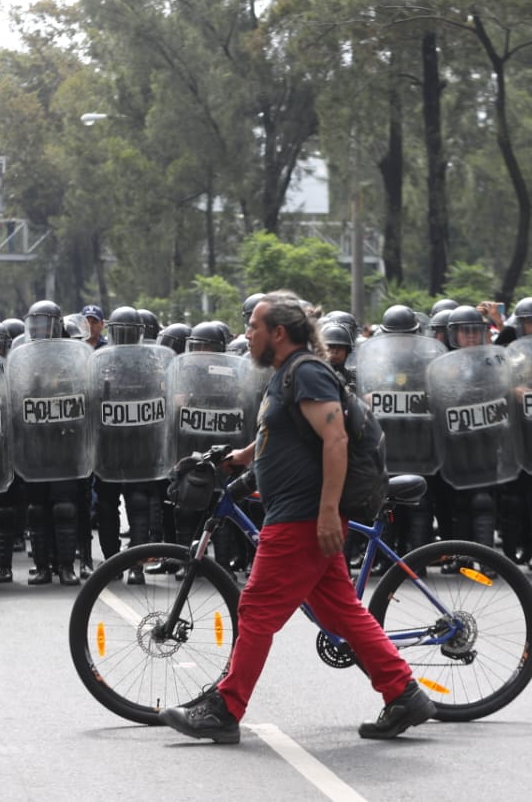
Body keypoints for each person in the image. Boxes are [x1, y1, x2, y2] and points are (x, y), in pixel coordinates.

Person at [160, 292, 435, 744]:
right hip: (299, 513)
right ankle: (404, 693)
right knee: (341, 612)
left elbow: (335, 439)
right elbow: (282, 432)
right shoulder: (287, 375)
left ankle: (225, 709)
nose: (246, 334)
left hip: (303, 517)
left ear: (279, 333)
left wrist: (327, 512)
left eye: (254, 327)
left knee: (255, 609)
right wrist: (241, 457)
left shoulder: (306, 371)